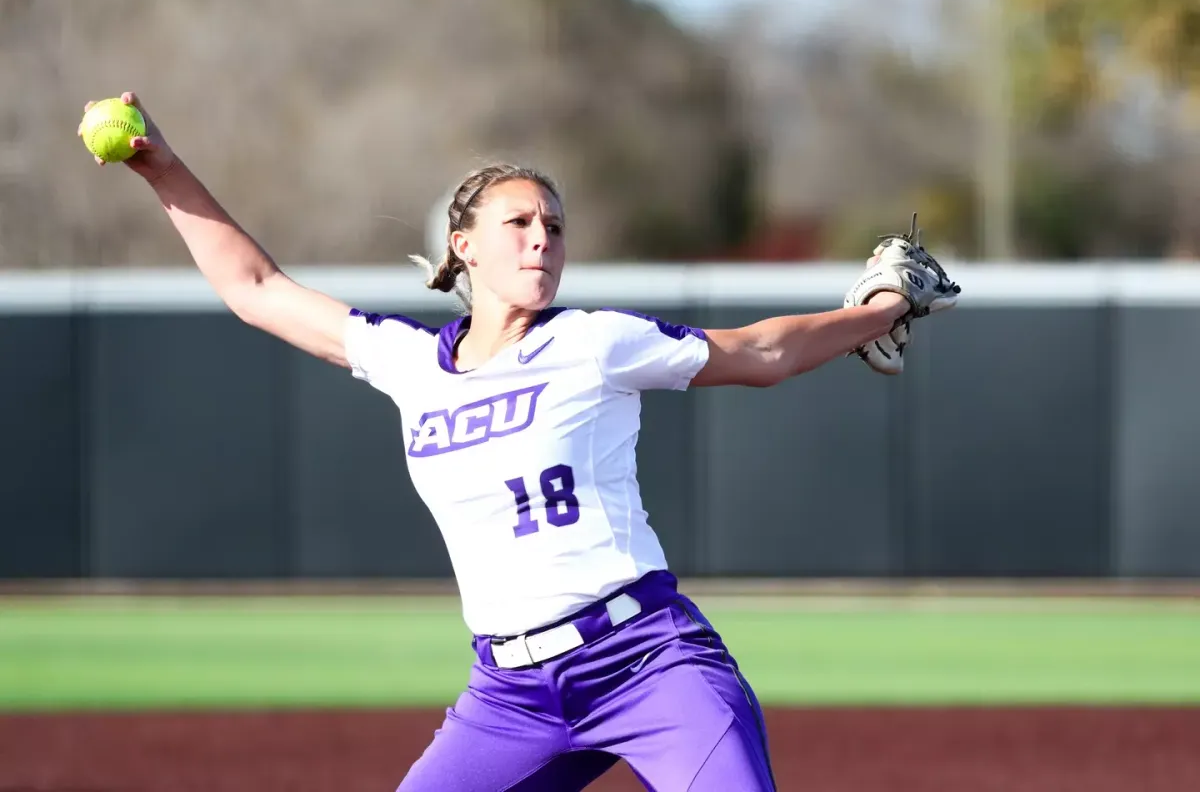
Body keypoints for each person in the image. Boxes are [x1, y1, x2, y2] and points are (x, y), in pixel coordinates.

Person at [81, 92, 958, 791]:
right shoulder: (408, 361)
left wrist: (874, 312)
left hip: (648, 660)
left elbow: (757, 354)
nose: (543, 238)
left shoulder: (592, 343)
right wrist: (160, 166)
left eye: (555, 226)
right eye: (519, 223)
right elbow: (255, 284)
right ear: (460, 246)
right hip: (511, 696)